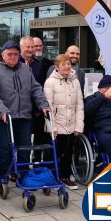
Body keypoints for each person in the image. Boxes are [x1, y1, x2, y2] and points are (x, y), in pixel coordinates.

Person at [0, 40, 50, 186]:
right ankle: (3, 176)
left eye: (15, 54)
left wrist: (43, 105)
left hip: (24, 116)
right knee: (5, 149)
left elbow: (36, 88)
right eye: (9, 54)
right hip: (5, 117)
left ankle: (22, 177)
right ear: (3, 55)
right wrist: (2, 109)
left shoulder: (25, 69)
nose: (13, 57)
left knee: (24, 149)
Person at [44, 54, 84, 189]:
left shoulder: (76, 81)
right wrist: (51, 127)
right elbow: (47, 106)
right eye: (63, 64)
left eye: (68, 64)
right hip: (57, 124)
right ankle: (52, 177)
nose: (67, 66)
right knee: (55, 152)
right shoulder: (50, 82)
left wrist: (79, 125)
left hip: (72, 123)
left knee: (68, 152)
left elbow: (80, 104)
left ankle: (65, 177)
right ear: (57, 67)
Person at [20, 36, 48, 163]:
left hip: (36, 110)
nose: (31, 49)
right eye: (28, 47)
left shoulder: (38, 65)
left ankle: (36, 162)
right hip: (19, 110)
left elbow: (40, 86)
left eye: (32, 47)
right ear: (21, 47)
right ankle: (20, 166)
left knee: (39, 138)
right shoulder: (15, 62)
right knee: (22, 140)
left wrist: (40, 106)